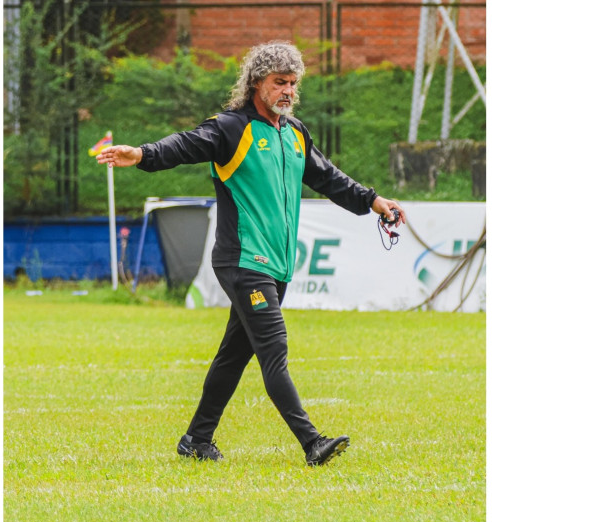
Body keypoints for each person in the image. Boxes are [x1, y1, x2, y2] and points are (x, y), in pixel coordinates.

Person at [96, 41, 406, 466]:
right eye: (280, 82)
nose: (288, 91)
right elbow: (185, 144)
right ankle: (312, 442)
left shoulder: (294, 133)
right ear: (257, 83)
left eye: (293, 83)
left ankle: (196, 439)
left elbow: (329, 178)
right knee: (274, 350)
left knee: (233, 356)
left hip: (277, 264)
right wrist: (143, 154)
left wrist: (373, 201)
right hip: (243, 260)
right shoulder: (230, 128)